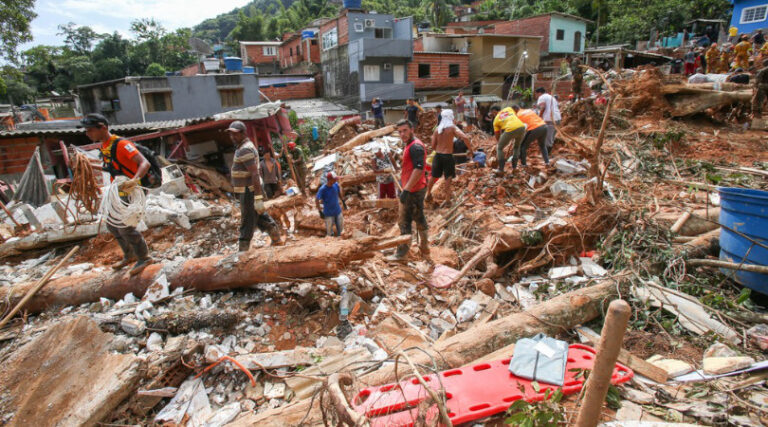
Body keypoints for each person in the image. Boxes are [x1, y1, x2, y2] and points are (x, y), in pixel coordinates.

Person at [81, 113, 154, 276]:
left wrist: (134, 181)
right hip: (118, 188)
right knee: (112, 224)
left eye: (90, 130)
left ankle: (144, 257)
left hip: (130, 189)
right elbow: (113, 168)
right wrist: (88, 165)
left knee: (124, 225)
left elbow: (145, 163)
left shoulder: (122, 144)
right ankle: (130, 255)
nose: (88, 134)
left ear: (103, 127)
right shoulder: (105, 146)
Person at [227, 120, 282, 251]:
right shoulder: (243, 146)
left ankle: (242, 252)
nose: (232, 137)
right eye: (231, 134)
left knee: (247, 221)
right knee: (259, 217)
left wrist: (257, 197)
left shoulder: (245, 149)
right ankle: (277, 239)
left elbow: (255, 174)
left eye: (235, 134)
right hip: (247, 190)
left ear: (243, 133)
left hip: (249, 191)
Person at [388, 119, 428, 261]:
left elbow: (418, 168)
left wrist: (406, 190)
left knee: (404, 221)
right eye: (399, 132)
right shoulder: (410, 145)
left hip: (413, 190)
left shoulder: (415, 146)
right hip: (415, 187)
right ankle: (425, 248)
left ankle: (402, 253)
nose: (402, 134)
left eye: (405, 130)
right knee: (419, 217)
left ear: (412, 129)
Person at [426, 109, 472, 202]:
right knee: (448, 178)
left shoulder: (437, 130)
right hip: (448, 156)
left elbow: (433, 145)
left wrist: (439, 149)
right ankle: (447, 200)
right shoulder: (452, 128)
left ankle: (428, 194)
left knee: (434, 176)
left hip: (438, 155)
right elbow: (465, 137)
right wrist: (471, 150)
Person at [489, 105, 526, 176]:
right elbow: (514, 118)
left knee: (499, 148)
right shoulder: (508, 109)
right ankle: (515, 168)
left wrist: (499, 143)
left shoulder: (496, 120)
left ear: (494, 111)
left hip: (510, 129)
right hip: (521, 127)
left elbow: (497, 135)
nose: (493, 115)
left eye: (493, 113)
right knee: (517, 147)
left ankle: (501, 170)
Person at [316, 172, 344, 237]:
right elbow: (317, 200)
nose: (336, 180)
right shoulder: (323, 189)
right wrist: (320, 211)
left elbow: (339, 192)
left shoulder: (336, 185)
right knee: (329, 232)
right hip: (328, 214)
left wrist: (343, 201)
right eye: (335, 179)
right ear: (330, 180)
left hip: (338, 211)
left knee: (341, 230)